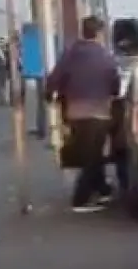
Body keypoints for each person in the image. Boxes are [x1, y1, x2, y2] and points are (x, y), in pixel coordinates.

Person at [46, 16, 120, 213]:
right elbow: (115, 83)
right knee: (93, 156)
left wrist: (51, 97)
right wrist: (112, 94)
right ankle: (80, 199)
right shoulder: (105, 56)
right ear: (99, 33)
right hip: (99, 111)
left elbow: (53, 78)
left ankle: (102, 189)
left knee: (91, 153)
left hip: (74, 111)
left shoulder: (69, 53)